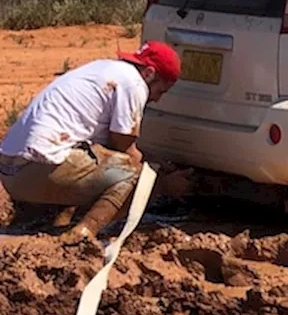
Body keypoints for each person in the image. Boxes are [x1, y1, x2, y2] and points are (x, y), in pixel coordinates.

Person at [0, 41, 187, 243]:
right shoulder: (133, 83)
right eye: (161, 91)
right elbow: (126, 151)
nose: (157, 99)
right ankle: (82, 234)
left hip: (12, 172)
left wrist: (156, 160)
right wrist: (164, 184)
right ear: (149, 74)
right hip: (41, 168)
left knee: (93, 164)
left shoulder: (103, 69)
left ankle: (50, 224)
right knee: (135, 176)